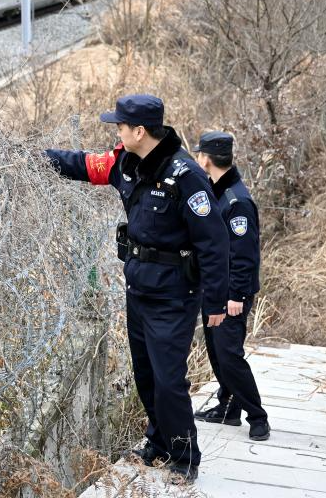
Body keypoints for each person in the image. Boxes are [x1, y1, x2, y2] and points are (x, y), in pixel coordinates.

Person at [44, 94, 230, 481]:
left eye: (120, 126)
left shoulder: (186, 176)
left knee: (168, 379)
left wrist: (215, 300)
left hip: (175, 295)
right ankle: (158, 442)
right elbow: (80, 164)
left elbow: (214, 243)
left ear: (139, 131)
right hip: (139, 289)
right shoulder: (126, 164)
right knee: (145, 375)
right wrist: (34, 157)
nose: (117, 131)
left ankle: (184, 456)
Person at [192, 131, 271, 441]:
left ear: (207, 160)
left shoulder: (236, 202)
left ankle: (258, 417)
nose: (198, 158)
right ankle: (228, 407)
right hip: (215, 288)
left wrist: (236, 295)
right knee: (215, 350)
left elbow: (245, 254)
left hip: (231, 294)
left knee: (229, 354)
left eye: (200, 155)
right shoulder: (216, 191)